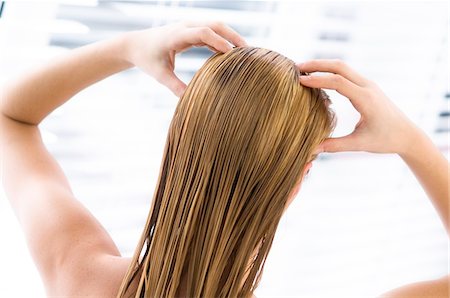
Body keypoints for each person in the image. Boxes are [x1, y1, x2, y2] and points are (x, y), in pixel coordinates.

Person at [1, 21, 448, 297]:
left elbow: (10, 117)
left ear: (178, 143)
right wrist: (411, 141)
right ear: (299, 179)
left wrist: (129, 47)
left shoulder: (80, 277)